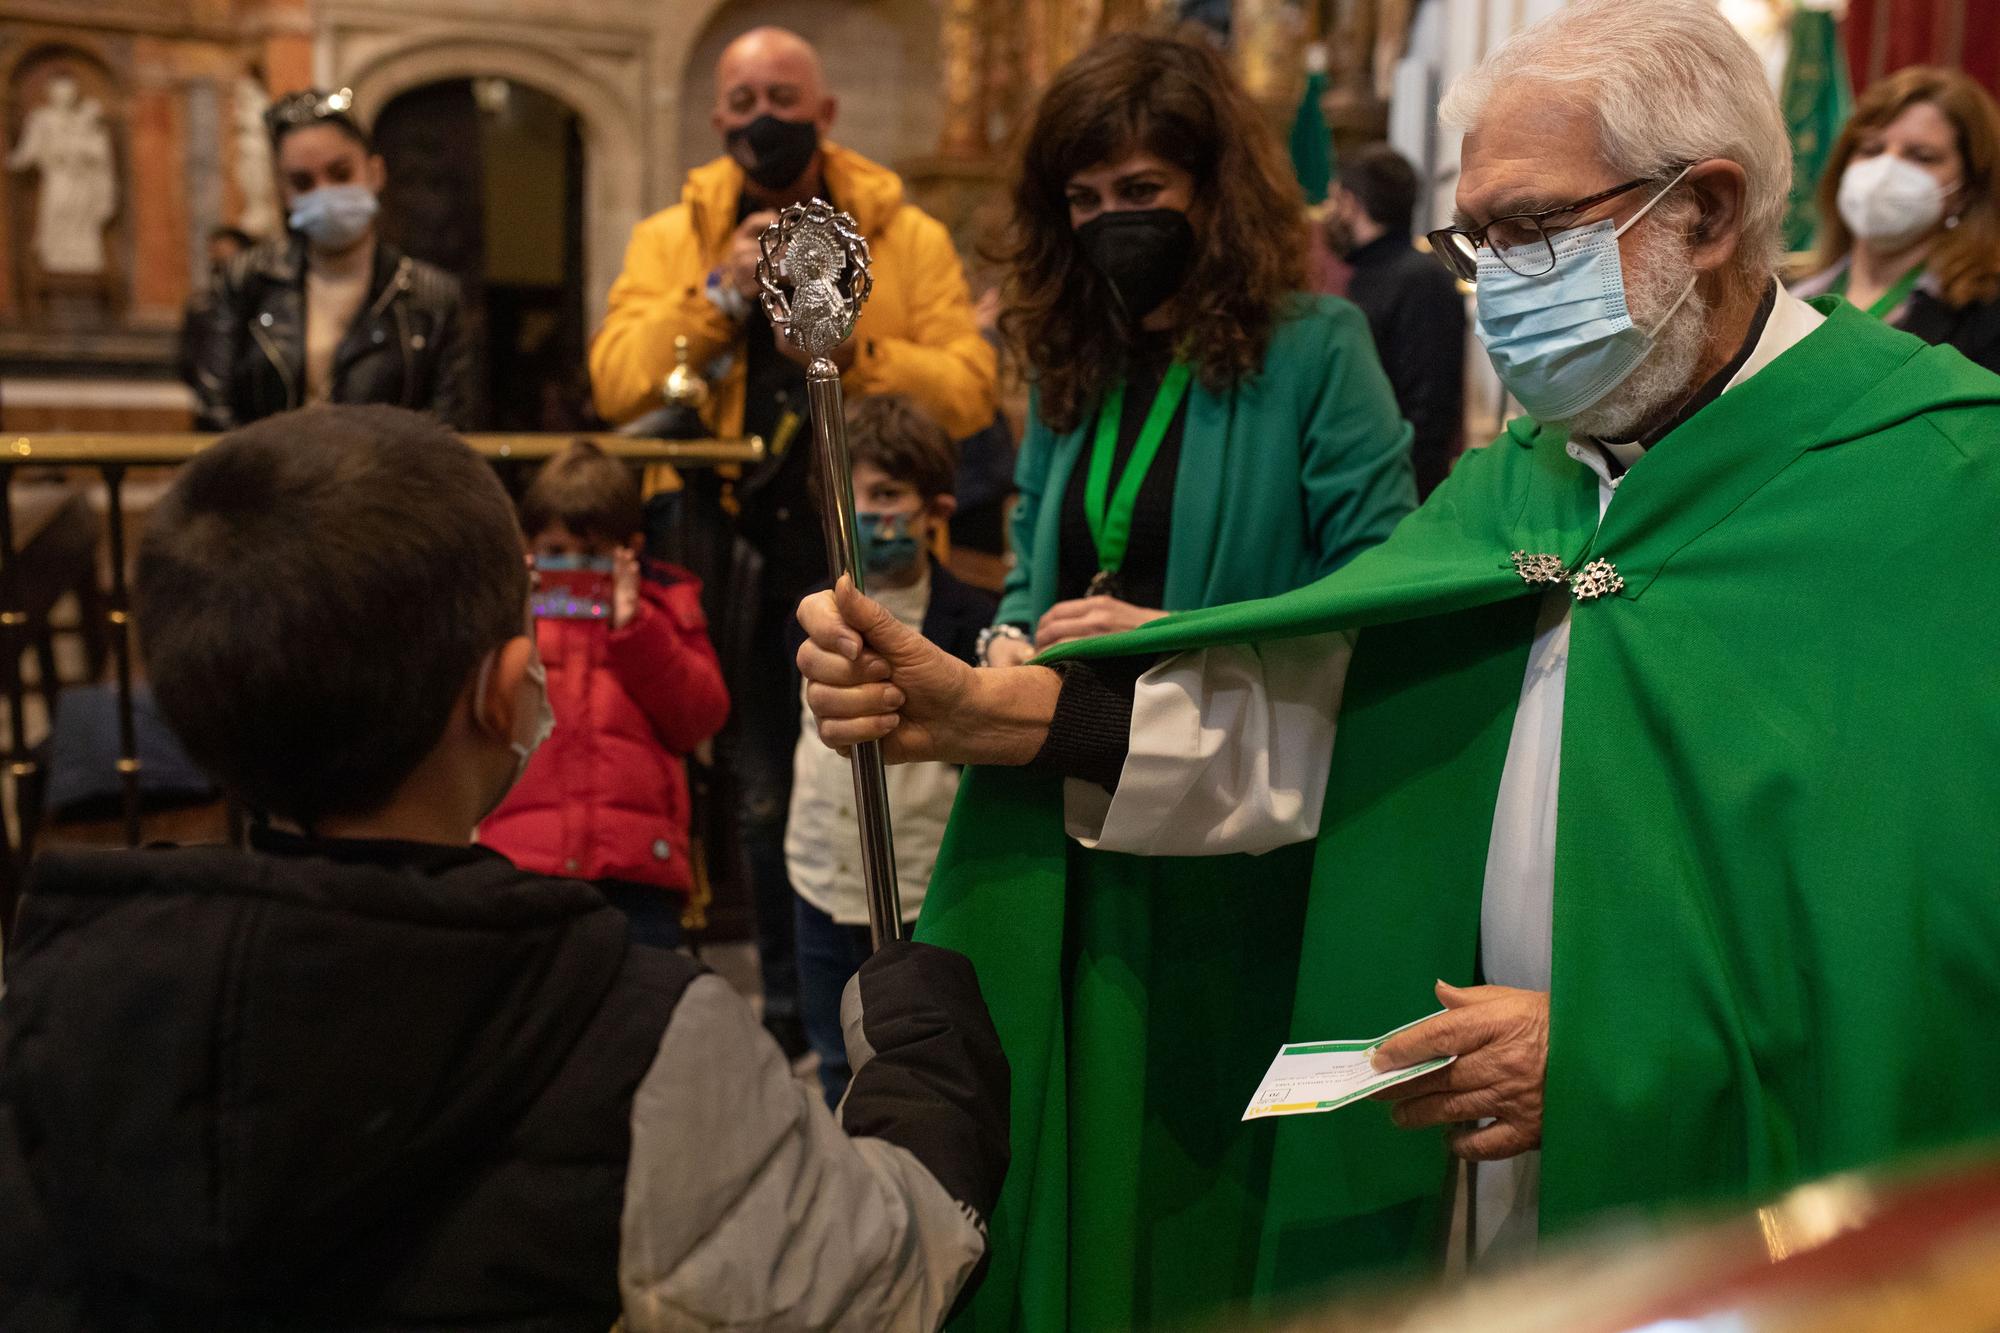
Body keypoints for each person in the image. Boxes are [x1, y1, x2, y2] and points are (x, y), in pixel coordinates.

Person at [797, 0, 2000, 1326]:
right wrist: (1000, 716)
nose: (1491, 283)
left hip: (1753, 1227)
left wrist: (1610, 1050)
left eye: (1530, 229)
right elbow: (1332, 731)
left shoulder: (1942, 486)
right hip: (1472, 1185)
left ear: (1707, 215)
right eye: (1472, 237)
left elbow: (1936, 938)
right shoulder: (1521, 485)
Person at [0, 405, 1009, 1330]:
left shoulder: (49, 997)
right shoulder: (634, 1036)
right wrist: (927, 1068)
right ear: (501, 693)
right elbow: (878, 1273)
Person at [590, 27, 996, 1058]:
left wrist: (840, 339)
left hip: (869, 549)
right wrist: (719, 299)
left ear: (824, 115)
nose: (757, 117)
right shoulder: (672, 234)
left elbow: (966, 387)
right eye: (739, 100)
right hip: (739, 550)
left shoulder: (900, 231)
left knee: (895, 772)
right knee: (767, 792)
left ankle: (912, 1008)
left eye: (781, 96)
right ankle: (791, 1020)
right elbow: (619, 380)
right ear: (716, 116)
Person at [978, 33, 1412, 675]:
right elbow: (1034, 549)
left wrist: (1184, 637)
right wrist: (1008, 635)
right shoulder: (1071, 350)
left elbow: (1376, 581)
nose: (1110, 219)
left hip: (1230, 756)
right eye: (1084, 199)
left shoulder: (1317, 345)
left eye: (1140, 190)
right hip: (1063, 741)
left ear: (1214, 194)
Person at [784, 397, 995, 1108]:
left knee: (922, 1063)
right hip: (820, 874)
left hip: (920, 882)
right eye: (849, 496)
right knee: (835, 1056)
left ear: (934, 507)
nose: (862, 514)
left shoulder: (973, 618)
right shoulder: (813, 611)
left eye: (883, 496)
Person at [477, 440, 730, 951]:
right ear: (527, 547)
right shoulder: (504, 618)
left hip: (636, 870)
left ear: (630, 550)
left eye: (590, 555)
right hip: (524, 864)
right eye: (554, 552)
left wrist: (636, 626)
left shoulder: (664, 610)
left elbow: (700, 718)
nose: (571, 567)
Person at [191, 88, 470, 430]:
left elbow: (448, 426)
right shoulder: (245, 280)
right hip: (267, 477)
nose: (324, 192)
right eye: (303, 182)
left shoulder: (432, 296)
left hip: (385, 480)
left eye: (340, 174)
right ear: (283, 191)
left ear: (375, 173)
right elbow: (215, 409)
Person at [1793, 65, 2000, 375]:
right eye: (1871, 149)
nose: (1885, 170)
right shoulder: (1786, 291)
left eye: (1921, 156)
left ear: (1968, 189)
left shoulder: (1987, 317)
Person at [1321, 143, 1469, 497]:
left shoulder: (1420, 280)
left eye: (1333, 200)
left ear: (1351, 203)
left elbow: (1428, 410)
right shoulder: (1359, 274)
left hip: (1395, 490)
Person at [177, 225, 254, 393]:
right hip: (210, 390)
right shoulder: (201, 305)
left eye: (228, 261)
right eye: (216, 260)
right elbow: (189, 355)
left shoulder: (260, 300)